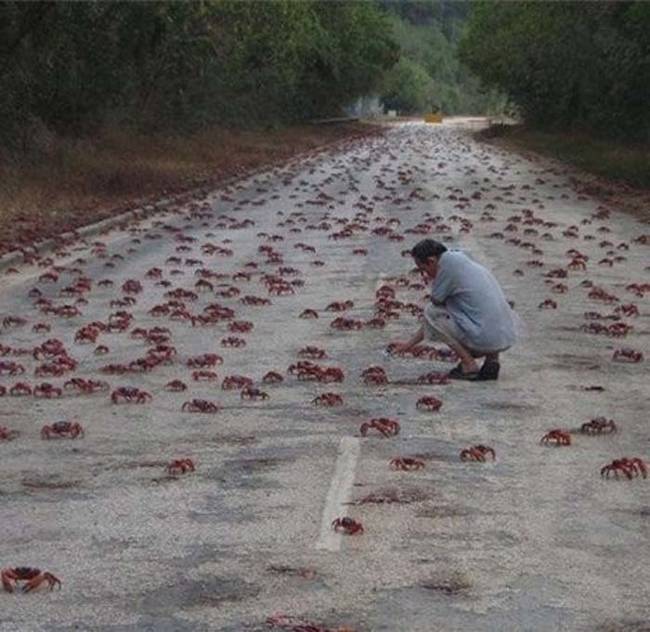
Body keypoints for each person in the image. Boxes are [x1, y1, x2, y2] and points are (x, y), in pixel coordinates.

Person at [390, 239, 517, 381]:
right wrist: (409, 345)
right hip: (504, 337)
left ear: (431, 261)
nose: (424, 275)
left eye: (423, 269)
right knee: (477, 307)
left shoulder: (448, 268)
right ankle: (492, 360)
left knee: (432, 310)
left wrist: (409, 345)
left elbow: (434, 310)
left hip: (484, 340)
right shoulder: (463, 260)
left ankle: (469, 365)